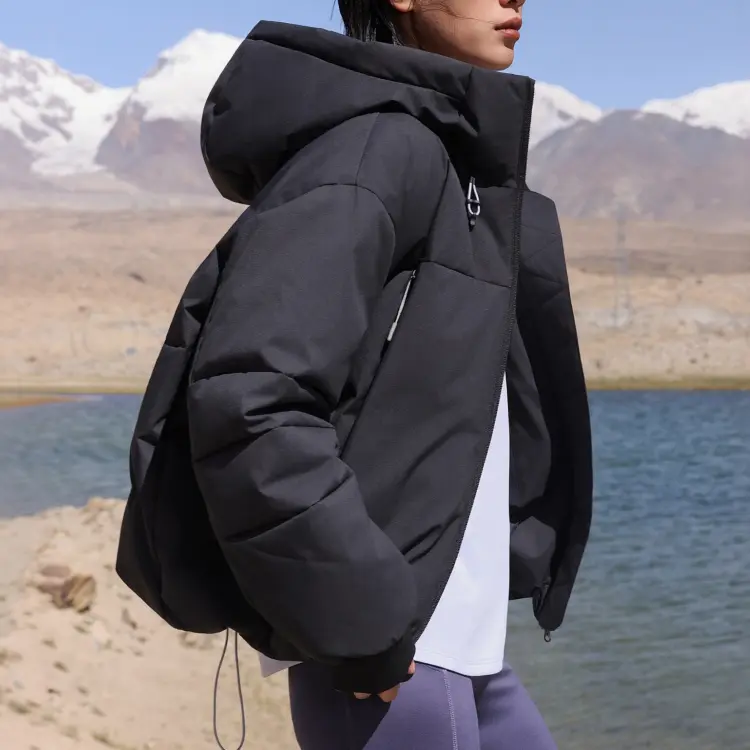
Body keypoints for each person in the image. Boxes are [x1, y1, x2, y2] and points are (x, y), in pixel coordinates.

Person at [188, 1, 593, 748]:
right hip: (386, 661)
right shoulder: (374, 150)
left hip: (460, 645)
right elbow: (251, 399)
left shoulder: (455, 163)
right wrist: (360, 618)